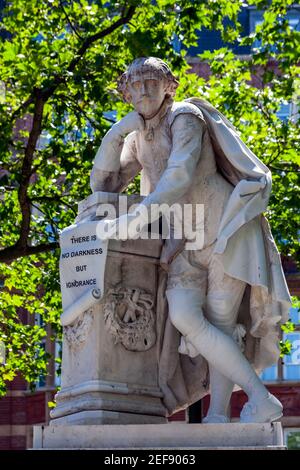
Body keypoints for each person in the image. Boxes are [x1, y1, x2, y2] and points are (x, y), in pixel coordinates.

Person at [90, 57, 291, 423]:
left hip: (222, 231)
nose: (142, 91)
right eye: (133, 86)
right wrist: (118, 131)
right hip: (184, 238)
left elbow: (179, 174)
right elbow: (104, 185)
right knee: (184, 314)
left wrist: (140, 215)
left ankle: (217, 415)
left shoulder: (185, 117)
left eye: (151, 82)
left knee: (221, 322)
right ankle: (261, 399)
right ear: (125, 93)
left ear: (169, 86)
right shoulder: (138, 136)